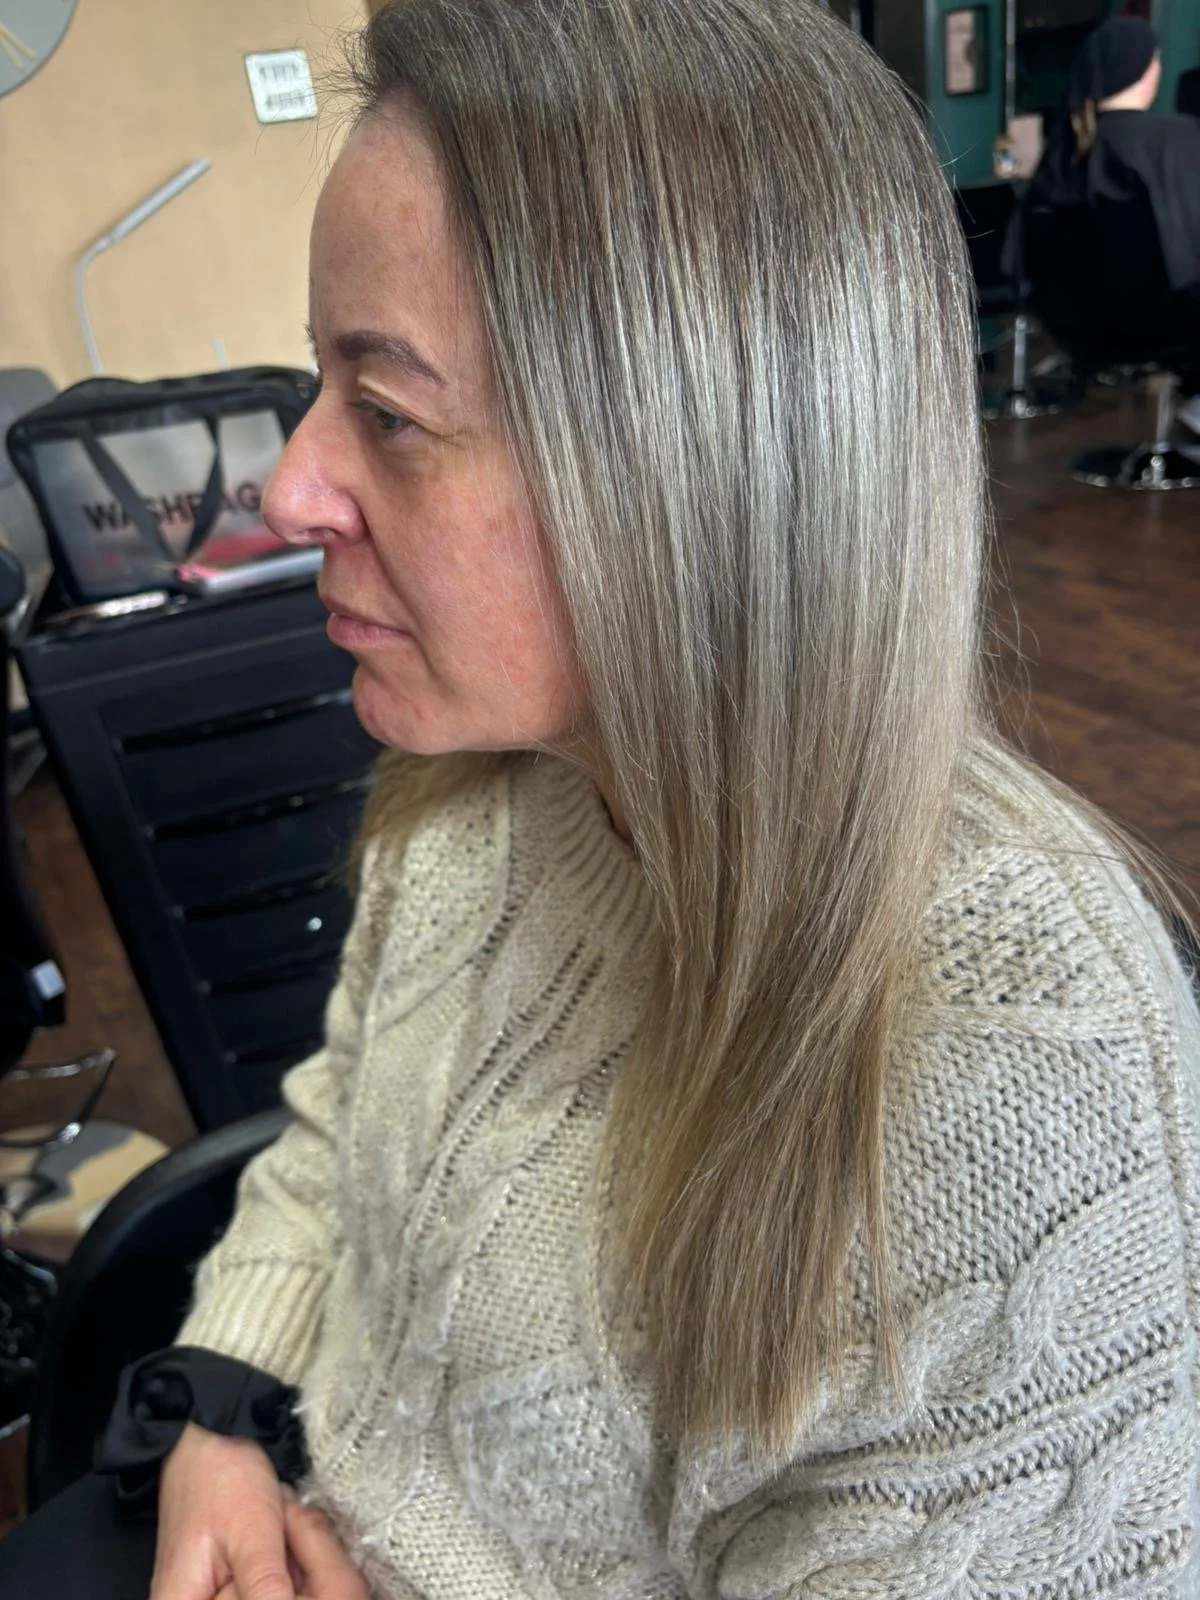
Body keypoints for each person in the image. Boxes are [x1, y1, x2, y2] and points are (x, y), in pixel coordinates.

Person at [4, 0, 1200, 1595]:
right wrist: (221, 1402)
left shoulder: (1024, 1074)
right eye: (320, 381)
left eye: (390, 413)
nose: (289, 488)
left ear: (692, 472)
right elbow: (344, 1118)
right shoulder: (481, 790)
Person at [1027, 17, 1200, 300]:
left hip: (1079, 317)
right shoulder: (1179, 139)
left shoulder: (1062, 153)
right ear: (1144, 68)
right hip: (1169, 316)